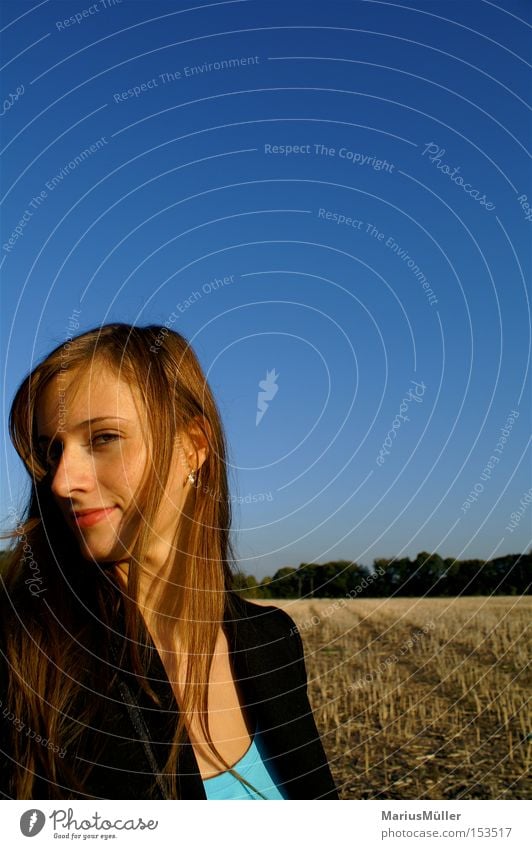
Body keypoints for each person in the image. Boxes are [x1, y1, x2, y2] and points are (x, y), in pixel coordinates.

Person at [0, 323, 338, 800]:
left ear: (192, 448)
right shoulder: (22, 659)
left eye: (102, 439)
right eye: (51, 451)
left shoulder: (273, 642)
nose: (61, 481)